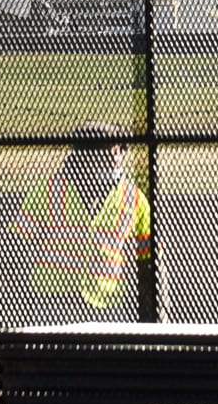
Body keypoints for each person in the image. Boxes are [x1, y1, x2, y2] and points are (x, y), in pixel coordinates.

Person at [18, 121, 150, 311]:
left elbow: (150, 258)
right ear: (84, 155)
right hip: (51, 301)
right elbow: (17, 247)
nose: (116, 158)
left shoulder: (134, 198)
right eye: (108, 151)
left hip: (107, 304)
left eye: (119, 150)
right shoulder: (48, 190)